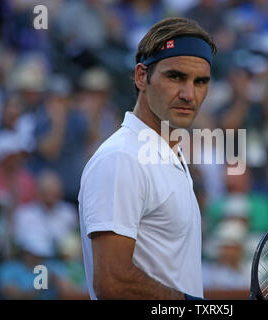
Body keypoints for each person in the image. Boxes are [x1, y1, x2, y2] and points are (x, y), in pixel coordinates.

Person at [78, 17, 216, 300]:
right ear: (142, 77)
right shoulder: (121, 158)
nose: (189, 94)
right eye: (176, 76)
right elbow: (112, 282)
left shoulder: (167, 154)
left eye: (200, 82)